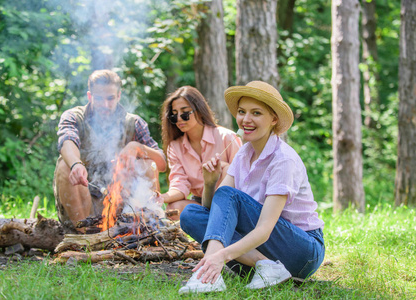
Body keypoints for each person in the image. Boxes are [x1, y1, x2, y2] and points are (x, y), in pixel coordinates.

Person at [178, 81, 325, 293]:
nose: (246, 119)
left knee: (228, 194)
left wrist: (220, 256)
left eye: (256, 113)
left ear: (273, 119)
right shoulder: (243, 154)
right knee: (191, 213)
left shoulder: (283, 160)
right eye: (242, 112)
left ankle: (210, 274)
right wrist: (209, 182)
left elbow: (264, 230)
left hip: (301, 251)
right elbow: (216, 212)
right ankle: (265, 266)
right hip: (269, 253)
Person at [53, 70, 167, 232]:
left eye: (110, 98)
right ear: (90, 96)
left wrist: (137, 147)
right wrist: (76, 164)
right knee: (66, 165)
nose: (105, 105)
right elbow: (67, 141)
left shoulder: (133, 123)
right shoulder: (73, 117)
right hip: (84, 204)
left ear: (118, 96)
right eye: (99, 98)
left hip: (123, 205)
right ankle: (84, 237)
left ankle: (142, 226)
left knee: (148, 163)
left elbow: (161, 164)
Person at [159, 86, 242, 219]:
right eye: (174, 115)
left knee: (227, 168)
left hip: (229, 203)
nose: (179, 118)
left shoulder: (227, 137)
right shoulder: (174, 147)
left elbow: (242, 179)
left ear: (199, 111)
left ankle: (218, 223)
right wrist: (160, 197)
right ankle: (210, 224)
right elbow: (180, 184)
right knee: (172, 209)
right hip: (200, 204)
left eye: (185, 113)